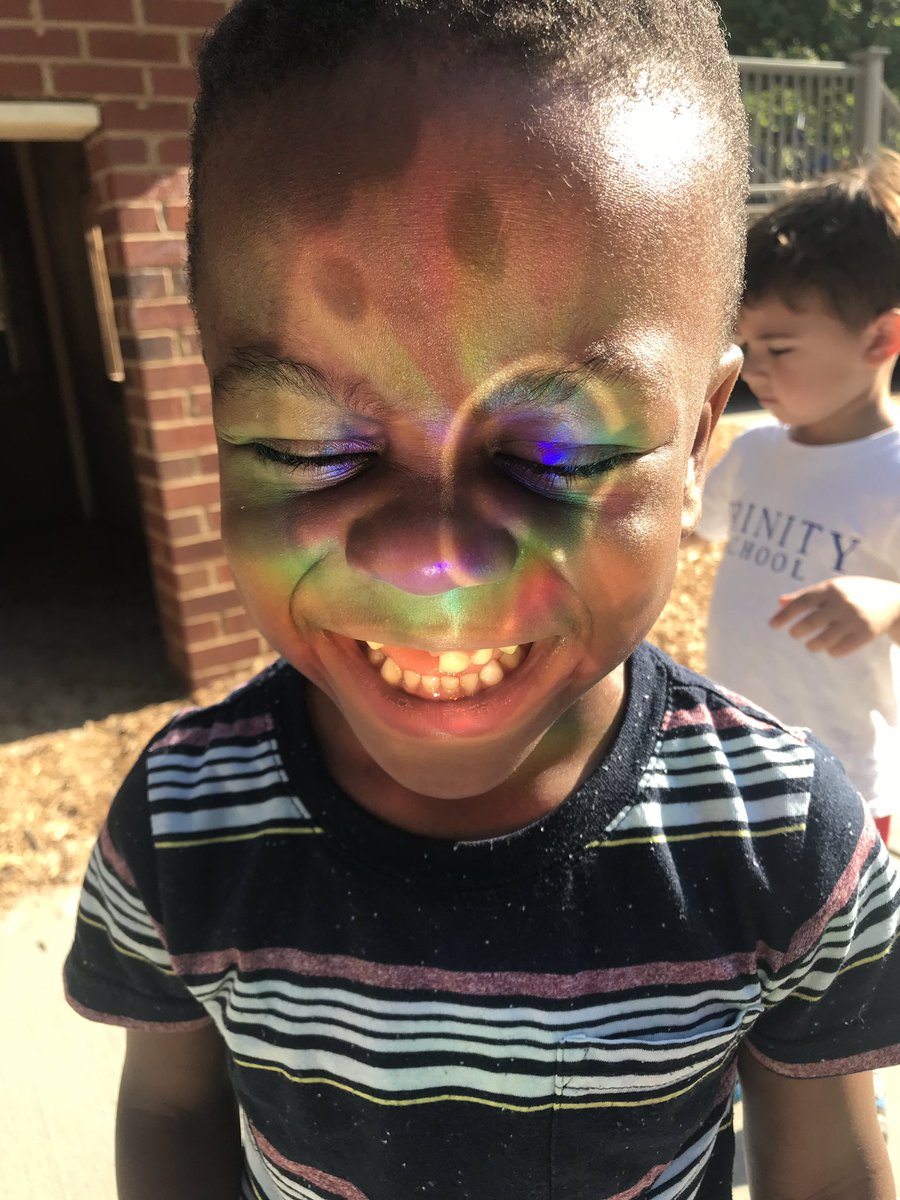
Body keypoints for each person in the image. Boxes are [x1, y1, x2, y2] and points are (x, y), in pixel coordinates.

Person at [63, 4, 900, 1198]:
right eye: (306, 446)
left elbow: (827, 1170)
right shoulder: (185, 825)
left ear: (704, 428)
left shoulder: (786, 847)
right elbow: (166, 1106)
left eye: (559, 453)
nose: (434, 564)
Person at [693, 154, 900, 847]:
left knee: (838, 945)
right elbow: (692, 531)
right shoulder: (754, 453)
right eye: (748, 345)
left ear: (881, 338)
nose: (755, 369)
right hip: (733, 751)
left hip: (841, 782)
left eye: (779, 347)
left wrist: (889, 602)